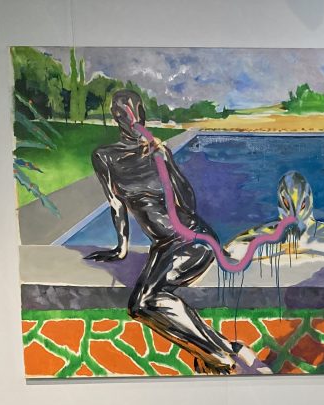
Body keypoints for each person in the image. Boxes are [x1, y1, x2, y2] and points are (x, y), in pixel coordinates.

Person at [85, 89, 246, 374]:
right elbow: (116, 204)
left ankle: (217, 357)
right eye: (123, 112)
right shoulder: (105, 157)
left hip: (192, 239)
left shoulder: (157, 153)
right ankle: (224, 347)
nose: (130, 118)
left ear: (142, 114)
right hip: (163, 246)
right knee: (145, 303)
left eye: (135, 111)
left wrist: (167, 161)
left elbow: (188, 204)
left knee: (143, 303)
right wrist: (121, 248)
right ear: (115, 117)